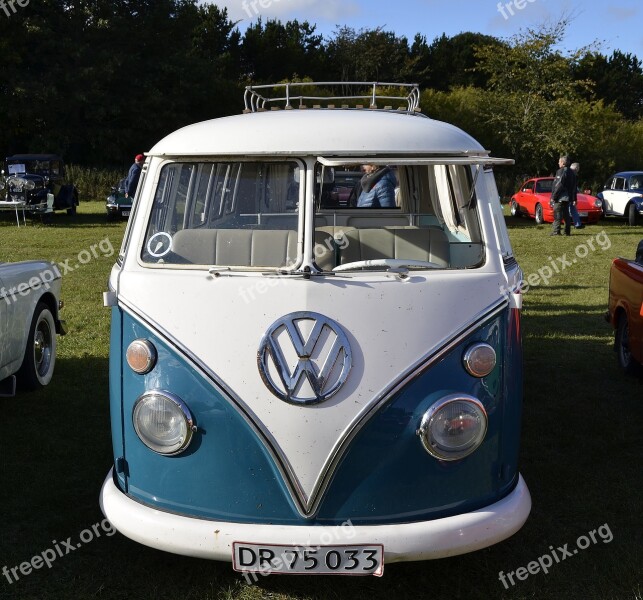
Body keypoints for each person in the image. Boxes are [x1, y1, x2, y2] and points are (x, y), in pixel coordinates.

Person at [550, 155, 574, 236]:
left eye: (559, 161)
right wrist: (573, 198)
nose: (558, 163)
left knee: (557, 214)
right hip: (567, 197)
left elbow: (559, 184)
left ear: (563, 163)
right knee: (566, 215)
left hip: (560, 196)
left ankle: (556, 231)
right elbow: (574, 186)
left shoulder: (561, 171)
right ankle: (567, 232)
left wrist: (554, 196)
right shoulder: (572, 172)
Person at [568, 162, 585, 229]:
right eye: (578, 168)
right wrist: (574, 199)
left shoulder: (566, 172)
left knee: (573, 209)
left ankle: (577, 224)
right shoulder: (573, 174)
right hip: (569, 196)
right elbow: (573, 188)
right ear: (576, 168)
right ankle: (569, 225)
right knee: (568, 210)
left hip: (567, 195)